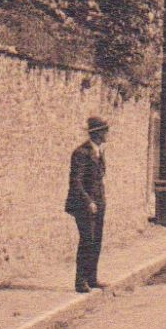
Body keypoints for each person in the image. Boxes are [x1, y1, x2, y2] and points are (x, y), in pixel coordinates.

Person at [65, 116, 109, 292]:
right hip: (83, 205)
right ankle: (80, 281)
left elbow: (99, 179)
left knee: (96, 240)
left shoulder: (99, 152)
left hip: (98, 203)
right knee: (87, 240)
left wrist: (100, 200)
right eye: (105, 131)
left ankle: (92, 278)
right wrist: (88, 201)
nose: (107, 134)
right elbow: (76, 181)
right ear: (97, 133)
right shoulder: (81, 153)